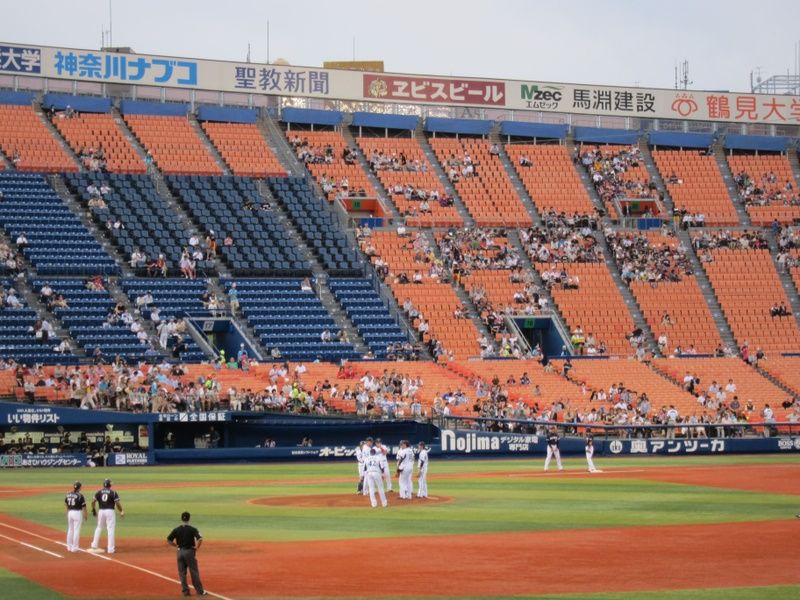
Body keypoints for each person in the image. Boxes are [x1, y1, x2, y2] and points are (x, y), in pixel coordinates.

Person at [167, 511, 207, 597]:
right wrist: (196, 548)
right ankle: (200, 591)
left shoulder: (176, 529)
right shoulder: (193, 529)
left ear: (181, 519)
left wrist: (176, 545)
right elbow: (200, 539)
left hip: (179, 552)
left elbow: (169, 540)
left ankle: (185, 592)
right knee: (194, 572)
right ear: (189, 519)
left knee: (182, 573)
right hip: (189, 552)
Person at [90, 478, 124, 554]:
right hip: (110, 511)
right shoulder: (113, 492)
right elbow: (117, 503)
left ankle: (94, 545)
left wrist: (94, 510)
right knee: (110, 529)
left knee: (99, 527)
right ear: (109, 485)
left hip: (101, 511)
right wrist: (121, 511)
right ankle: (110, 549)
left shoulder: (98, 492)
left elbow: (93, 501)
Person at [65, 481, 88, 553]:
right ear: (79, 487)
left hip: (70, 512)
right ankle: (75, 548)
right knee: (76, 530)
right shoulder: (80, 495)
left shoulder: (68, 494)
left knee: (70, 529)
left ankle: (69, 547)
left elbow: (66, 503)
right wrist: (85, 515)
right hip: (77, 513)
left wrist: (67, 512)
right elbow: (84, 507)